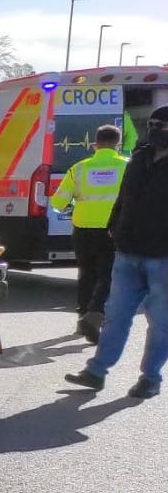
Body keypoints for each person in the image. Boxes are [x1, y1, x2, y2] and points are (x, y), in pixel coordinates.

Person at [67, 105, 168, 399]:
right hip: (127, 252)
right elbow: (124, 198)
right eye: (153, 125)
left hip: (162, 256)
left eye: (162, 127)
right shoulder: (139, 158)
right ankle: (96, 372)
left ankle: (150, 378)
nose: (155, 131)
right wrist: (114, 227)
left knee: (161, 322)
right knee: (116, 315)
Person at [50, 124, 128, 342]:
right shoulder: (127, 167)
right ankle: (95, 316)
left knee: (86, 273)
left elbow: (57, 202)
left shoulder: (79, 168)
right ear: (118, 145)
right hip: (113, 230)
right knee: (108, 275)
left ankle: (83, 317)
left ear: (95, 144)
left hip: (83, 230)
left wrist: (74, 205)